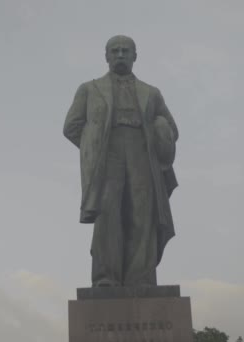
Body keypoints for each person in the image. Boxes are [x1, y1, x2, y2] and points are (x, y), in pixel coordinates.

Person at [63, 35, 179, 287]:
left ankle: (142, 277)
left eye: (126, 51)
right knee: (108, 213)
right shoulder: (89, 89)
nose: (120, 55)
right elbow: (71, 126)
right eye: (114, 51)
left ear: (135, 56)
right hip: (108, 155)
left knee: (142, 213)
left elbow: (170, 128)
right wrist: (93, 147)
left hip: (142, 153)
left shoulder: (151, 92)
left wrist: (161, 133)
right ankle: (106, 277)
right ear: (106, 56)